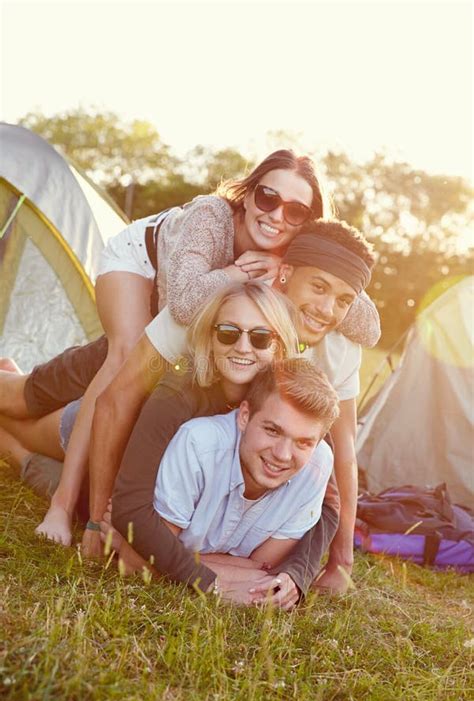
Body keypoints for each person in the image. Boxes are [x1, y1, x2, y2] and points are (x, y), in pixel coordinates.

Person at [0, 217, 375, 594]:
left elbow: (334, 462)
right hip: (124, 419)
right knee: (18, 408)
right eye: (319, 287)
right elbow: (116, 402)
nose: (326, 309)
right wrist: (98, 523)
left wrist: (337, 562)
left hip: (167, 453)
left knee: (29, 450)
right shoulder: (219, 308)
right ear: (286, 272)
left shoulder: (318, 352)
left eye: (342, 300)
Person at [105, 358, 339, 611]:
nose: (283, 454)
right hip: (109, 446)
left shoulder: (317, 464)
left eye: (303, 442)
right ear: (245, 416)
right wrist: (218, 584)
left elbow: (259, 570)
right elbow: (132, 563)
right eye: (272, 430)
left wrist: (166, 556)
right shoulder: (198, 444)